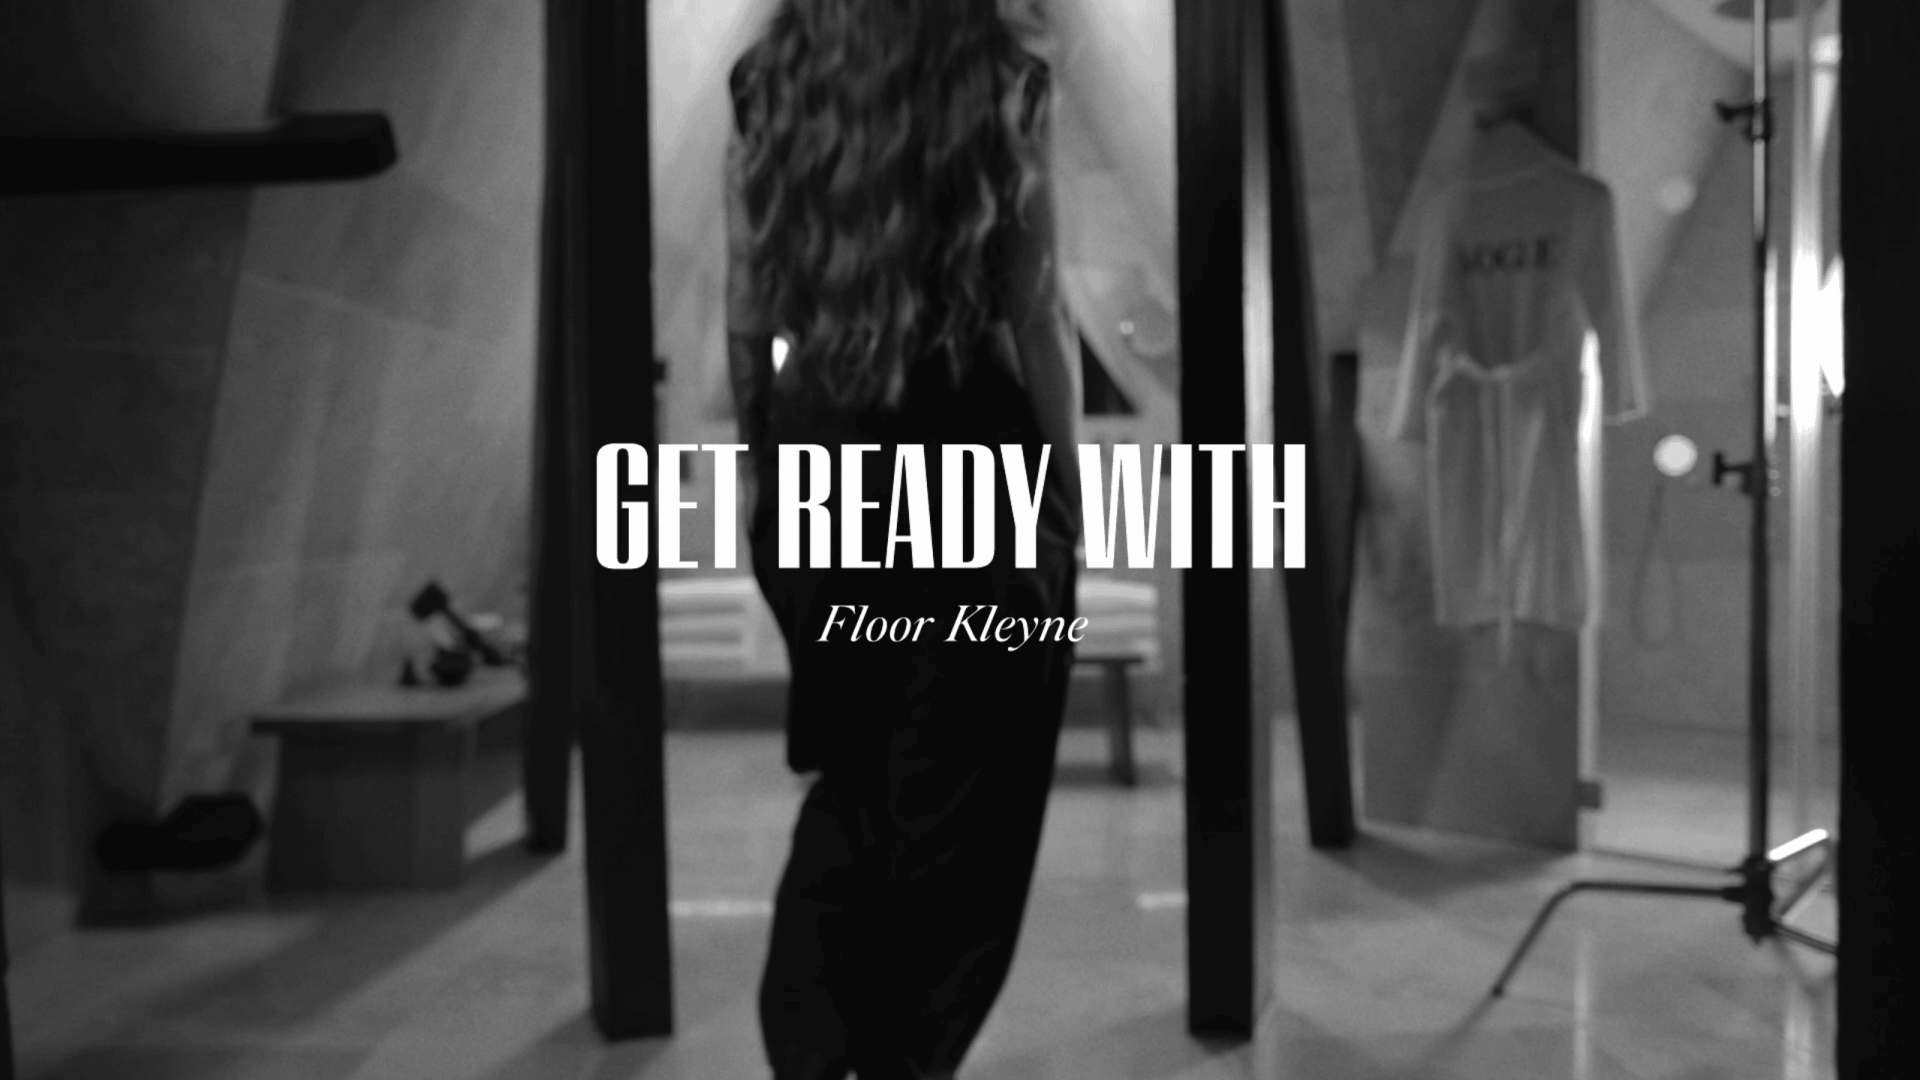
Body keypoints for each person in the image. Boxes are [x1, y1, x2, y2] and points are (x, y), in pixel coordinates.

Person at [723, 1, 1081, 1076]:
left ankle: (806, 1047)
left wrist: (768, 466)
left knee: (854, 781)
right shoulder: (1003, 75)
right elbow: (1037, 311)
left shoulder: (769, 78)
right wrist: (1068, 499)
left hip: (817, 467)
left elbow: (749, 312)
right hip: (973, 469)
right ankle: (902, 1062)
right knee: (965, 820)